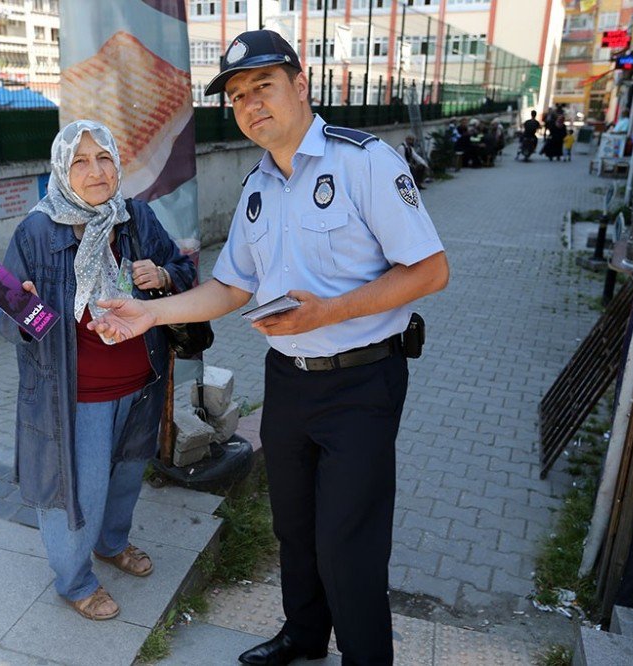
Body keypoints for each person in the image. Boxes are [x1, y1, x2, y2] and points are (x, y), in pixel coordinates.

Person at [90, 29, 449, 665]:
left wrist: (329, 312)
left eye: (264, 86)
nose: (251, 103)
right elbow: (230, 287)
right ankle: (304, 636)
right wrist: (149, 313)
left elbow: (429, 271)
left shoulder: (364, 161)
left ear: (301, 86)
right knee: (295, 525)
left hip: (363, 383)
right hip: (288, 381)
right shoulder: (258, 188)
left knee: (349, 541)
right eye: (236, 95)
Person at [0, 120, 196, 621]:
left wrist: (164, 274)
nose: (95, 170)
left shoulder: (135, 218)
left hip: (141, 384)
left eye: (104, 158)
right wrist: (26, 311)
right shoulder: (37, 232)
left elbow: (185, 268)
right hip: (75, 394)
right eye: (80, 161)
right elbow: (4, 311)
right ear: (62, 171)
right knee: (79, 491)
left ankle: (112, 544)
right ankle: (75, 579)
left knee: (128, 476)